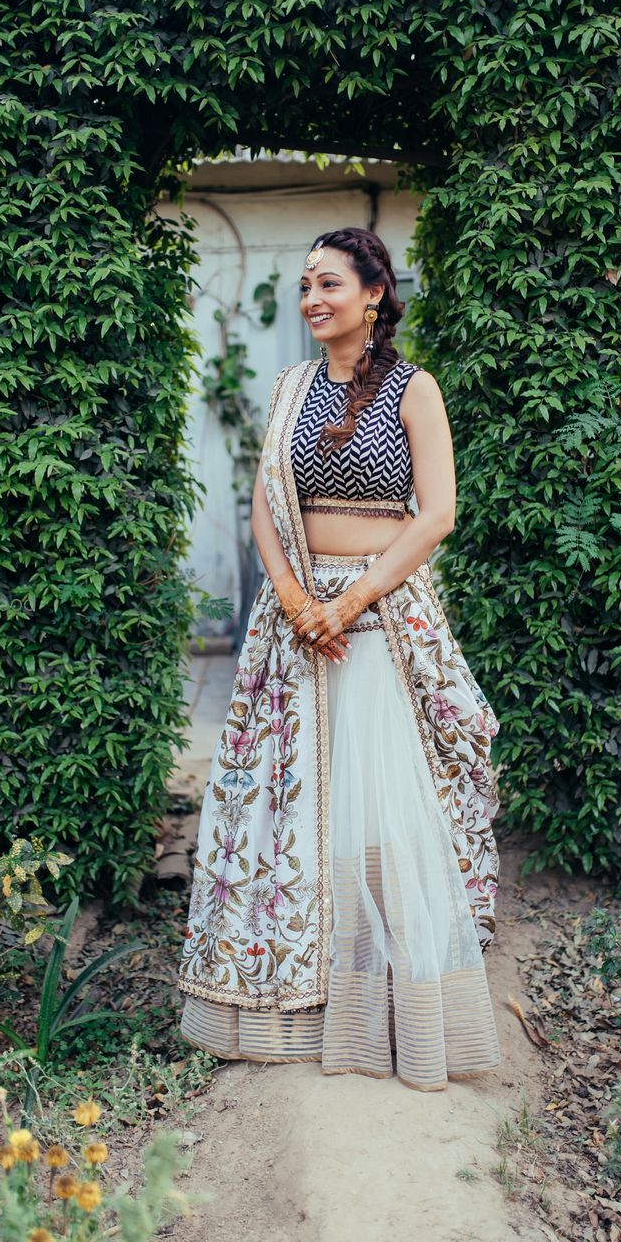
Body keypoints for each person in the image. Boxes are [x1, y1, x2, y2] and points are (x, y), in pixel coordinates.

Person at [176, 226, 503, 1092]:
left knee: (382, 800)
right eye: (304, 286)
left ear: (373, 293)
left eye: (329, 284)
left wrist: (349, 604)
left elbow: (436, 516)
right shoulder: (289, 389)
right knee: (294, 803)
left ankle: (392, 1005)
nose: (313, 299)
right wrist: (295, 601)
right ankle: (298, 1004)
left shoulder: (412, 387)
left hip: (383, 614)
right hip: (295, 618)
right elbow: (260, 512)